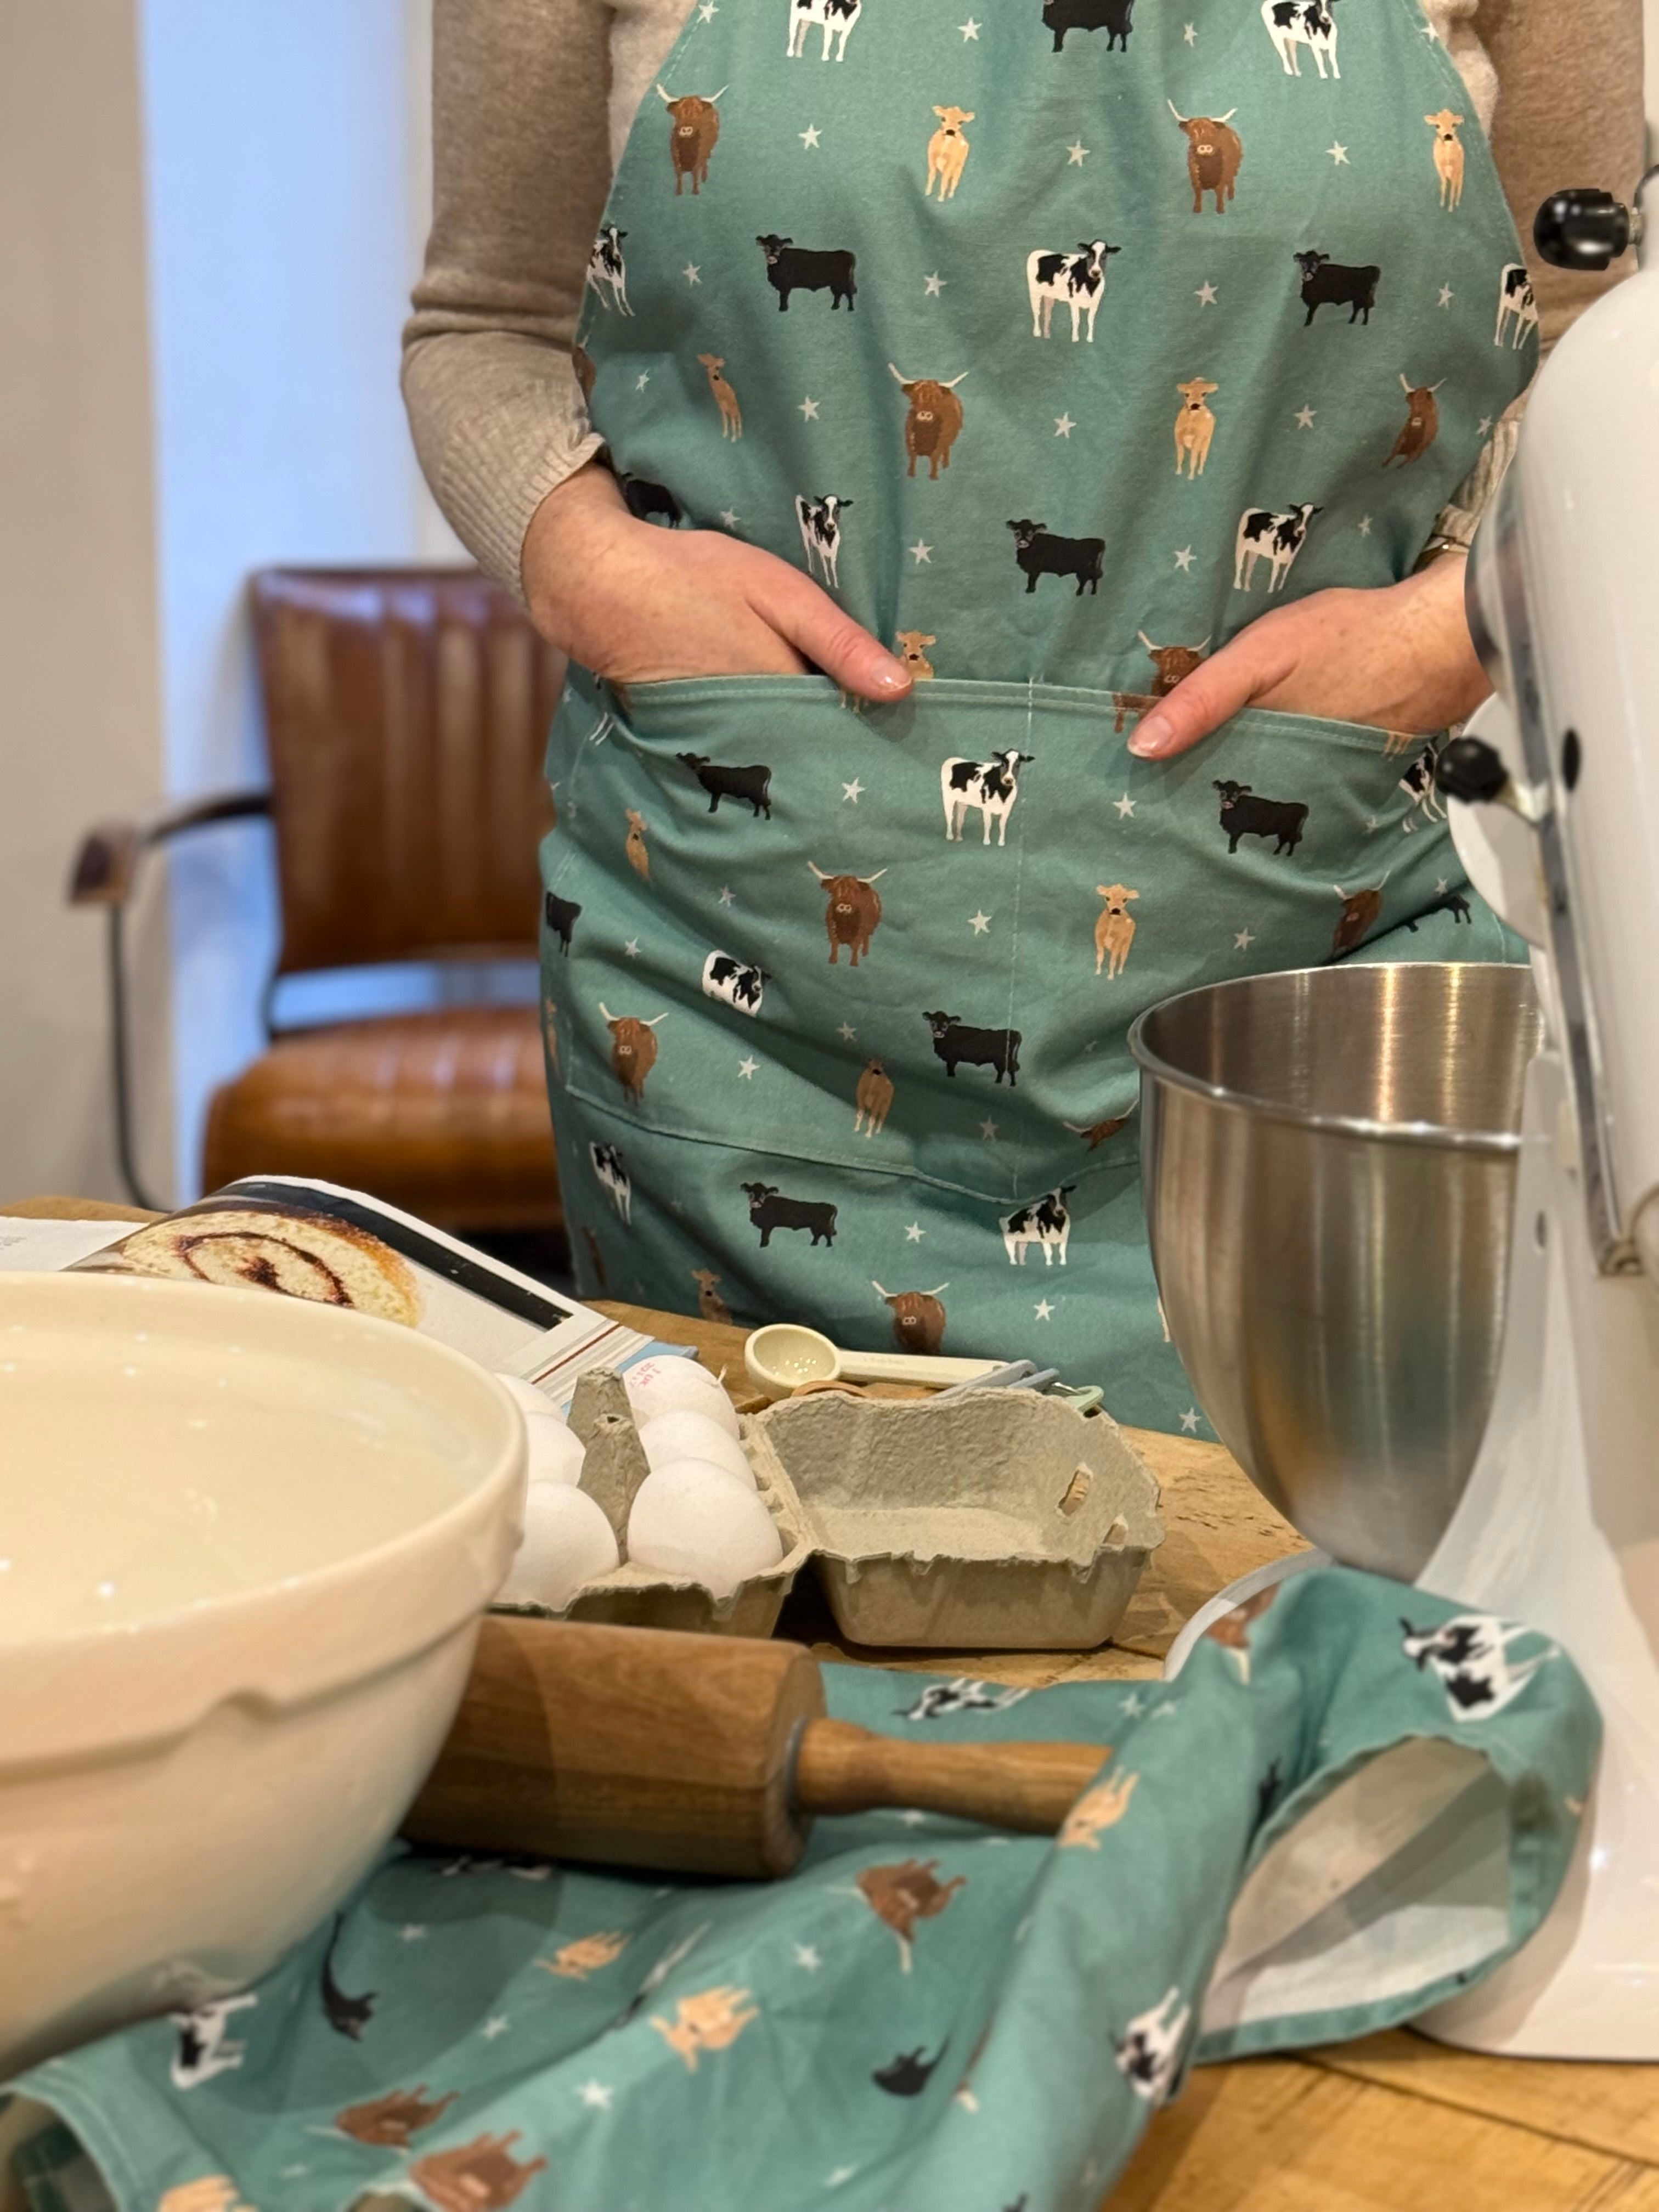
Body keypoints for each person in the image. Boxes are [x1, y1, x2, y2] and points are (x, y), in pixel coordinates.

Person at [404, 0, 1642, 1431]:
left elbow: (1598, 339)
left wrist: (1454, 625)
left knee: (1333, 1628)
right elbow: (484, 322)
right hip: (742, 995)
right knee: (748, 1619)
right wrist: (589, 565)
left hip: (1316, 978)